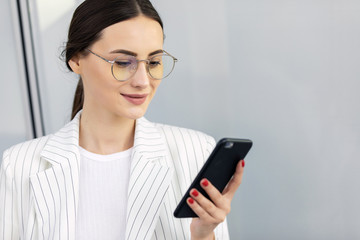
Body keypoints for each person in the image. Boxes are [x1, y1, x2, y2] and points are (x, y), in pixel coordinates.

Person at [0, 0, 245, 239]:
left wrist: (203, 235)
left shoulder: (194, 152)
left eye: (153, 62)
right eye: (122, 62)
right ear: (76, 60)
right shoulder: (19, 165)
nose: (142, 80)